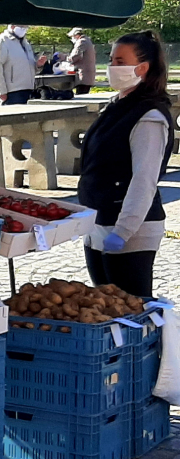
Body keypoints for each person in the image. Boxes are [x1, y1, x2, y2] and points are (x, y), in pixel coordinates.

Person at [78, 30, 174, 297]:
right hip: (98, 222)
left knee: (131, 309)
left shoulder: (149, 116)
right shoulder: (116, 105)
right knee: (104, 308)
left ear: (142, 68)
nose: (112, 67)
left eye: (121, 61)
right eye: (111, 60)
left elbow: (144, 179)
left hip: (130, 230)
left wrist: (123, 230)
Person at [0, 25, 48, 105]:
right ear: (12, 26)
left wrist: (38, 65)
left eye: (26, 27)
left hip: (29, 90)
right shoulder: (2, 41)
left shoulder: (26, 43)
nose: (24, 29)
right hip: (12, 93)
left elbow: (29, 67)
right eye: (22, 26)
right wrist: (1, 91)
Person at [67, 27, 97, 95]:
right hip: (88, 73)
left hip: (83, 74)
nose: (72, 39)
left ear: (76, 35)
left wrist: (66, 58)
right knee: (84, 93)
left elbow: (75, 56)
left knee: (81, 95)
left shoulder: (81, 41)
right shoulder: (88, 41)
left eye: (72, 36)